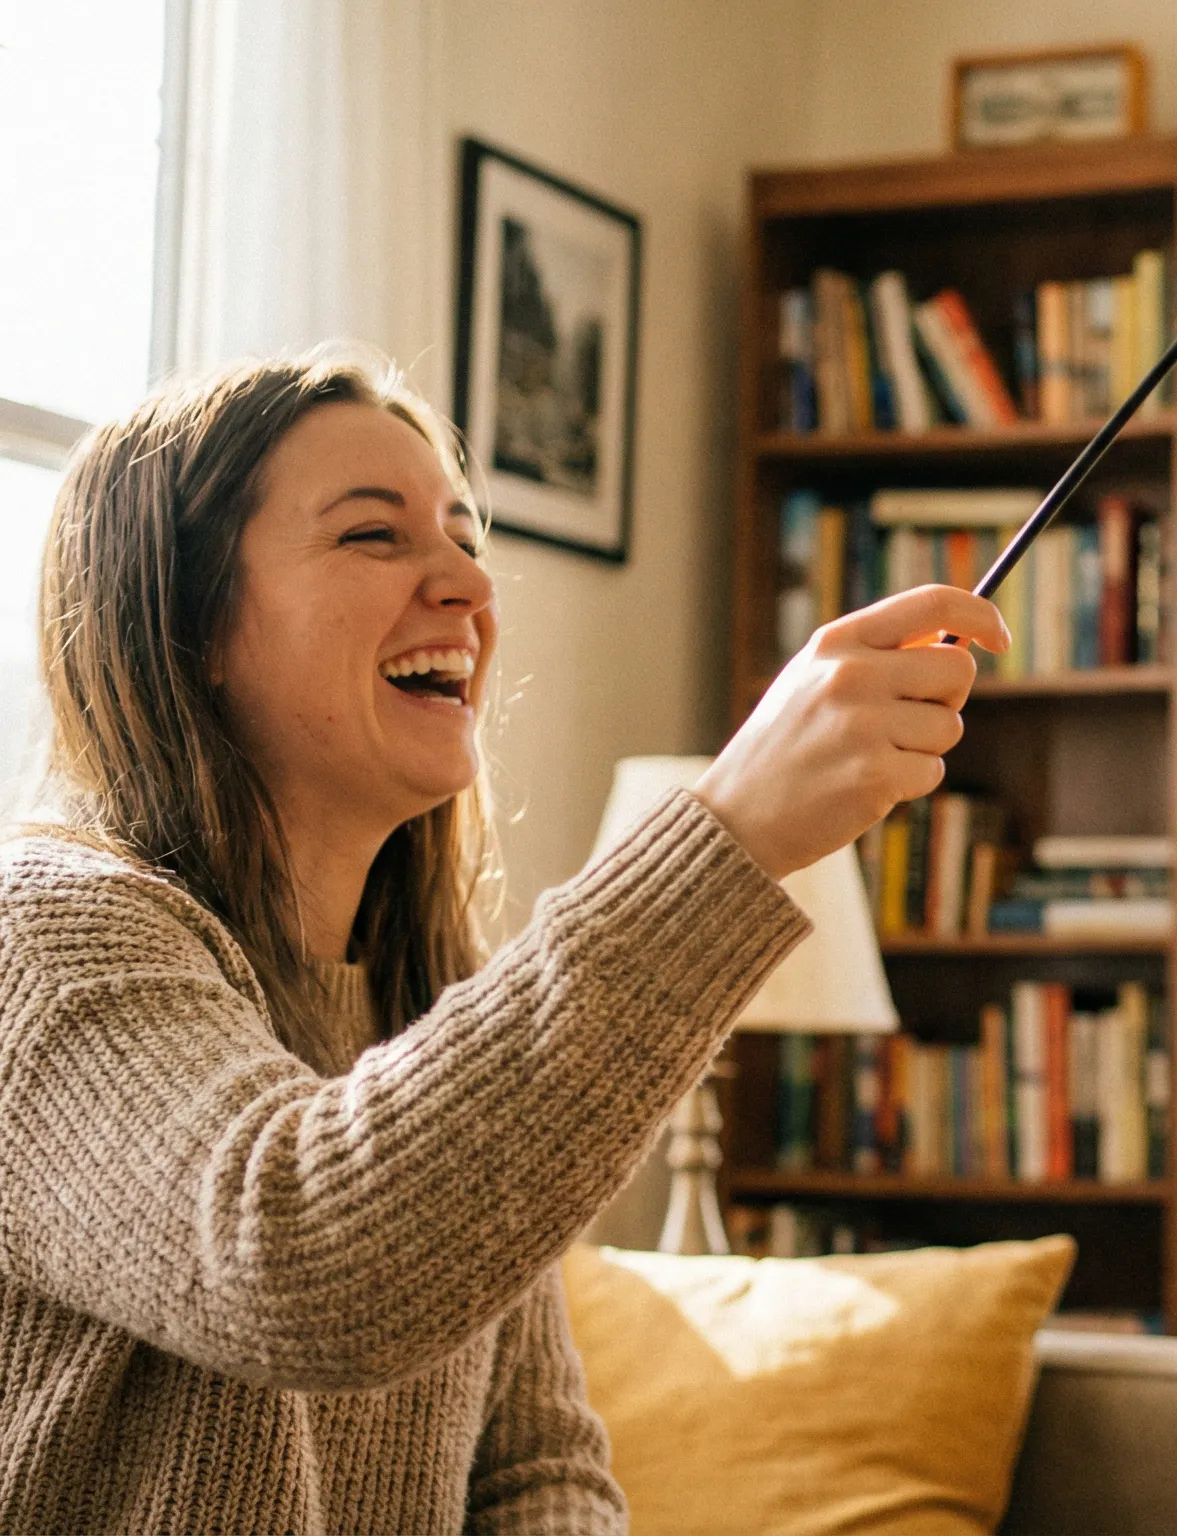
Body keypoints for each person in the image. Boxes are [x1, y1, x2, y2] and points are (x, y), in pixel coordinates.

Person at [0, 354, 1008, 1531]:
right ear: (185, 622)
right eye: (374, 538)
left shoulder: (430, 1000)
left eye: (465, 539)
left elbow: (540, 1468)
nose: (466, 587)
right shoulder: (42, 937)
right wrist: (725, 839)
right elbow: (295, 1263)